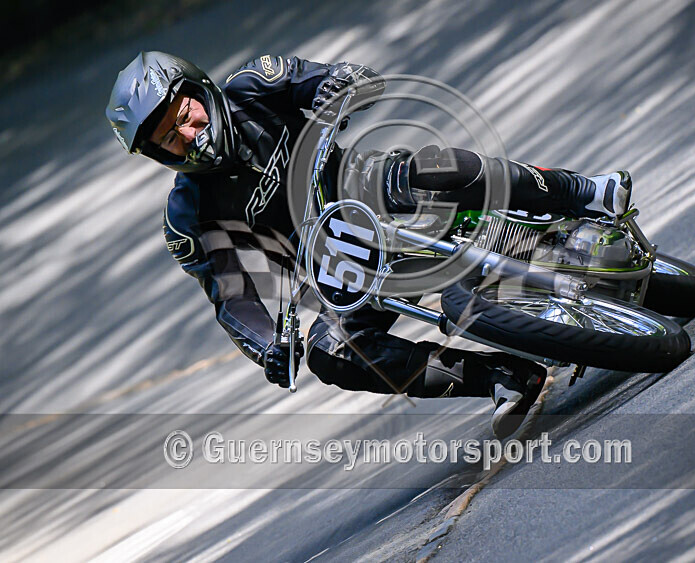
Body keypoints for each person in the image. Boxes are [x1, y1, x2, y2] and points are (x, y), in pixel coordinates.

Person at [106, 51, 632, 438]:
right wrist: (269, 345)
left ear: (198, 89)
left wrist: (338, 88)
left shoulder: (252, 85)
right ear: (160, 156)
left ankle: (584, 191)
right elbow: (231, 297)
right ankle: (502, 376)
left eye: (185, 115)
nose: (188, 134)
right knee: (331, 355)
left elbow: (334, 79)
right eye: (170, 139)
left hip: (370, 186)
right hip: (338, 269)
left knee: (433, 167)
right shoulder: (188, 214)